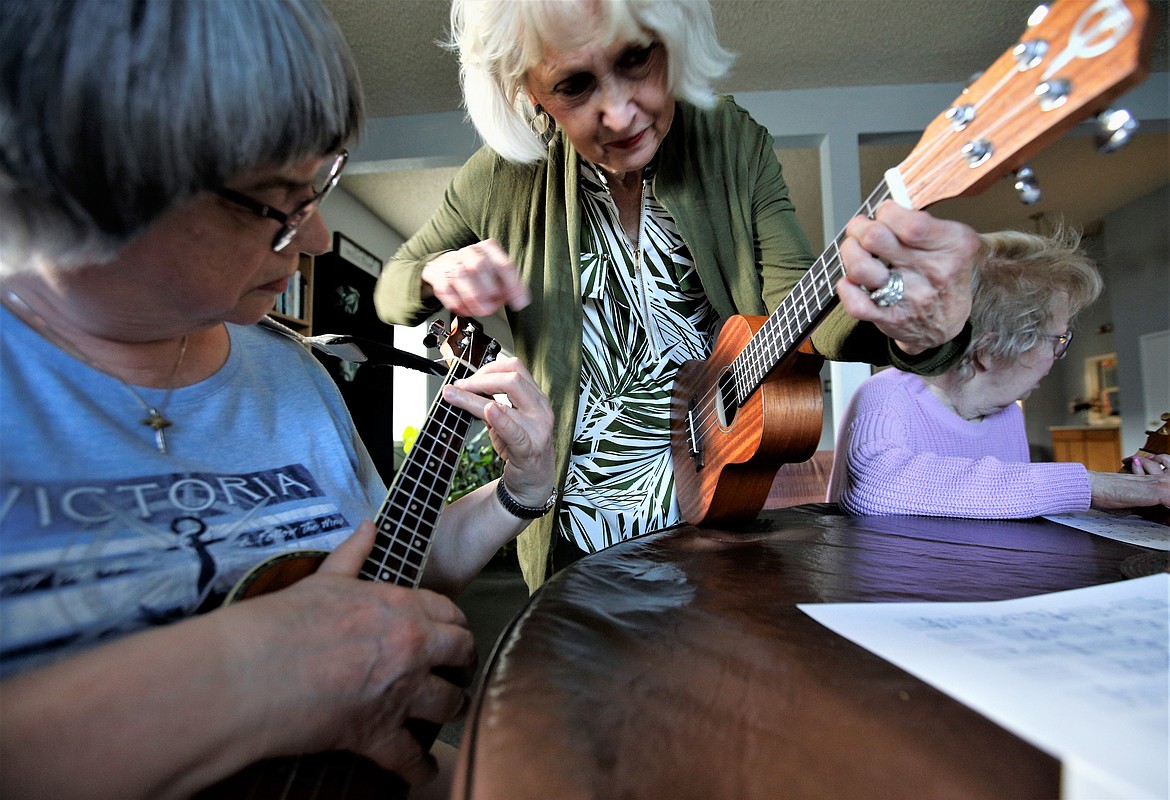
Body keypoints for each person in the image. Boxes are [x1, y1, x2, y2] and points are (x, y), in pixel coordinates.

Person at [0, 1, 555, 798]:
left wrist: (519, 491)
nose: (321, 238)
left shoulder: (291, 373)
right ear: (86, 190)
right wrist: (248, 677)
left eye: (320, 184)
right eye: (279, 202)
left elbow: (374, 575)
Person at [374, 0, 982, 590]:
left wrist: (916, 329)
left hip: (717, 513)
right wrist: (438, 273)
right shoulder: (498, 179)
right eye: (575, 86)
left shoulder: (730, 141)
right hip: (572, 544)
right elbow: (391, 292)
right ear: (530, 93)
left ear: (672, 43)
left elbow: (804, 309)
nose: (618, 113)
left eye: (637, 59)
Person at [826, 229, 1170, 517]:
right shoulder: (889, 395)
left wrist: (1134, 495)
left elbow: (1002, 507)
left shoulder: (1006, 415)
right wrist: (1091, 486)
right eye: (1057, 340)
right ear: (989, 349)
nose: (1057, 356)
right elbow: (875, 486)